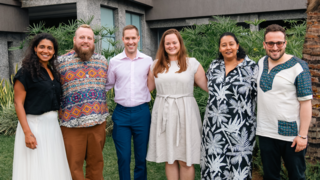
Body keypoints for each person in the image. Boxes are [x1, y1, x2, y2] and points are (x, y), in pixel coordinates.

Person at [146, 29, 208, 180]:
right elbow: (146, 90)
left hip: (186, 114)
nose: (171, 45)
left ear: (180, 43)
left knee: (185, 159)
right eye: (168, 43)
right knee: (170, 158)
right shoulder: (155, 65)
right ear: (163, 45)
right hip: (163, 114)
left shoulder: (191, 63)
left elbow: (209, 87)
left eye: (174, 42)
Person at [12, 33, 72, 180]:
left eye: (50, 48)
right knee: (36, 167)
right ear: (35, 48)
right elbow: (18, 103)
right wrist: (27, 133)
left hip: (52, 126)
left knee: (52, 165)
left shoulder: (52, 71)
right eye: (42, 47)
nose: (46, 51)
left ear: (54, 52)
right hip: (34, 125)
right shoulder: (25, 72)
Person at [256, 24, 312, 180]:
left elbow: (306, 103)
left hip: (291, 135)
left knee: (296, 176)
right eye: (270, 43)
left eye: (279, 43)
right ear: (264, 44)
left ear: (285, 43)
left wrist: (303, 136)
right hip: (266, 132)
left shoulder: (299, 67)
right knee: (270, 176)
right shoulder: (261, 63)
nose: (275, 47)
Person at [201, 32, 258, 179]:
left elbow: (259, 96)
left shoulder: (251, 67)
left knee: (239, 168)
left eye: (231, 44)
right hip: (214, 128)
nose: (228, 48)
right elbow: (209, 88)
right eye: (224, 45)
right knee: (215, 166)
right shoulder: (214, 66)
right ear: (220, 48)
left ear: (237, 46)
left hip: (240, 128)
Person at [57, 24, 109, 180]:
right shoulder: (60, 62)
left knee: (96, 165)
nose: (85, 41)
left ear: (93, 41)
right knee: (74, 167)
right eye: (82, 37)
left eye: (89, 38)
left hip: (98, 123)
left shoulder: (102, 61)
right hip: (71, 124)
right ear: (75, 40)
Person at [106, 25, 153, 180]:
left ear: (138, 39)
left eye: (134, 38)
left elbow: (152, 84)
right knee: (124, 157)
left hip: (142, 113)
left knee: (141, 158)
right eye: (127, 38)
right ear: (123, 39)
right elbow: (108, 85)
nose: (130, 41)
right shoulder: (114, 61)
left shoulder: (147, 60)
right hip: (121, 114)